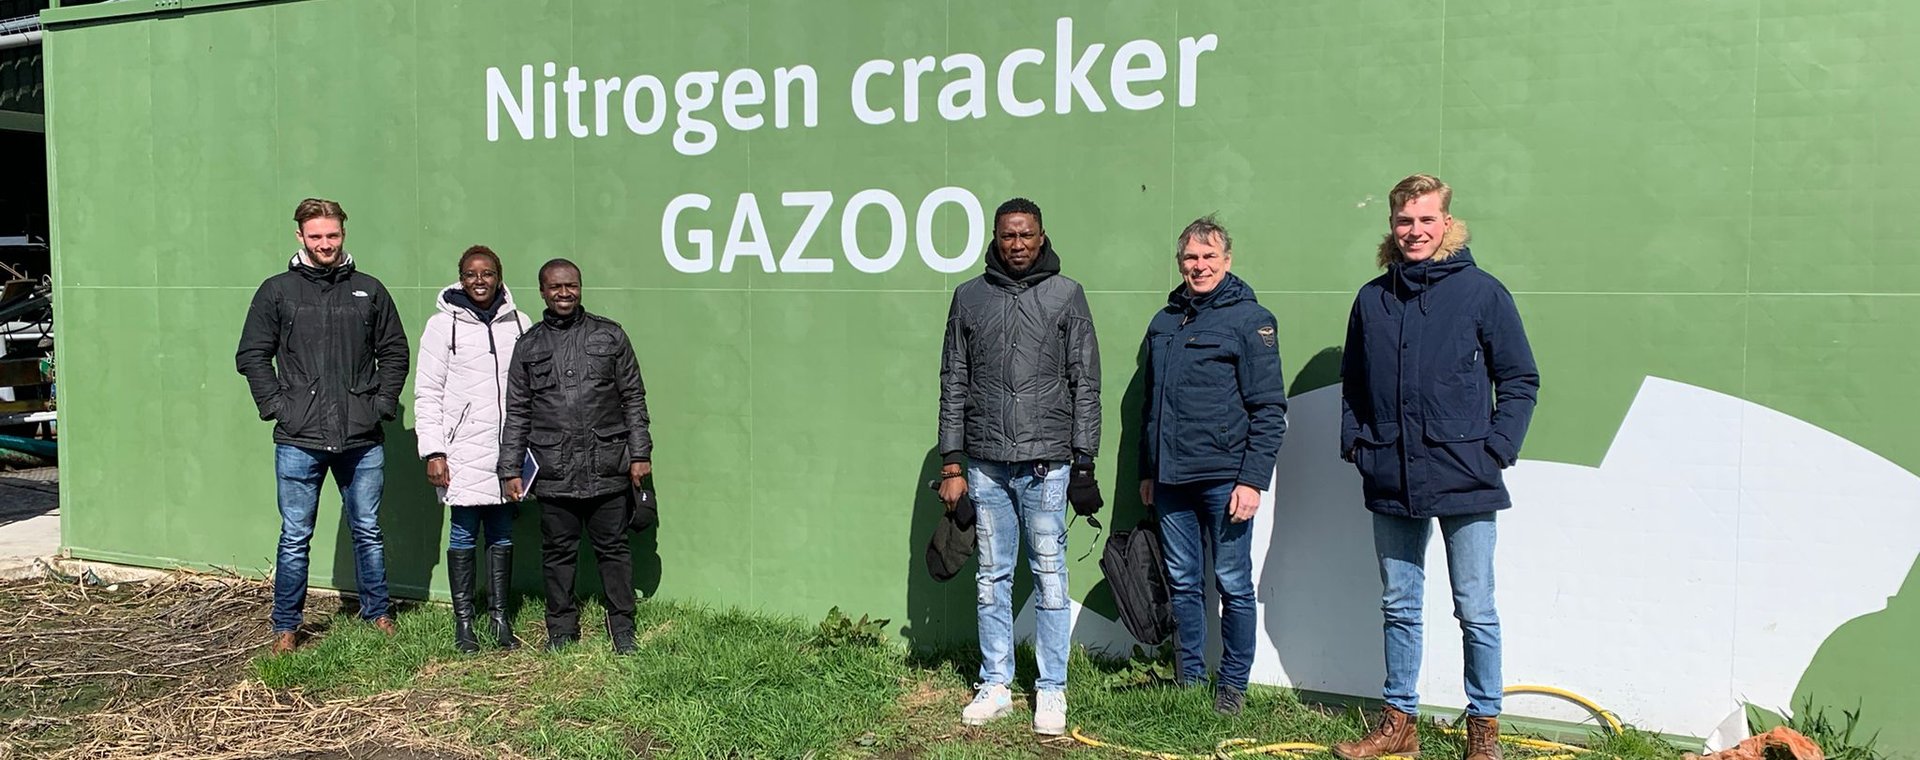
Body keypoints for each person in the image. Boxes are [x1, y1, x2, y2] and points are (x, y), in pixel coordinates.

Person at [1333, 174, 1539, 760]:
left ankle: (1484, 731)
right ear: (1391, 225)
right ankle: (1399, 724)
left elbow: (1519, 379)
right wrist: (1358, 445)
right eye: (1405, 220)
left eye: (1426, 219)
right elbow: (1353, 385)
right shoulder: (1372, 299)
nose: (1415, 230)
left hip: (1466, 474)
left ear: (1447, 223)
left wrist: (1496, 449)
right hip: (1391, 472)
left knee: (1475, 608)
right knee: (1399, 604)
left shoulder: (1482, 293)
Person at [936, 197, 1102, 736]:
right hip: (985, 465)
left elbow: (1086, 383)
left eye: (1026, 234)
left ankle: (1052, 689)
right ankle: (996, 684)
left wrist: (1084, 463)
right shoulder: (969, 297)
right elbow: (953, 381)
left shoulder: (1067, 295)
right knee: (991, 576)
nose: (1017, 244)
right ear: (995, 238)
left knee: (1050, 577)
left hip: (1046, 466)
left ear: (1041, 236)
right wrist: (952, 462)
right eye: (1008, 236)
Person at [236, 198, 409, 654]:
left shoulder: (369, 290)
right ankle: (286, 626)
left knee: (367, 529)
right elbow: (252, 354)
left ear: (343, 234)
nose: (325, 244)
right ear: (300, 236)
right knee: (295, 536)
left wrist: (380, 405)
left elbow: (395, 351)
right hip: (299, 437)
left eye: (332, 235)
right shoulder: (277, 291)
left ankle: (377, 614)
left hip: (361, 437)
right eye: (316, 236)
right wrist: (278, 407)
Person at [1137, 214, 1288, 716]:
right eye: (1190, 258)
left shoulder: (1251, 320)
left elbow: (1269, 409)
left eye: (1209, 257)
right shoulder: (1164, 322)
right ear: (1180, 262)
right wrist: (1147, 471)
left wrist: (1252, 481)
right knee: (1183, 583)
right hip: (1171, 481)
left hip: (1225, 480)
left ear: (1227, 261)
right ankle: (1190, 680)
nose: (1199, 266)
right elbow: (1149, 406)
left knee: (1232, 584)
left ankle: (1233, 686)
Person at [498, 259, 651, 654]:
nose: (564, 293)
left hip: (608, 464)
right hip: (554, 471)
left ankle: (622, 629)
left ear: (580, 287)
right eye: (555, 287)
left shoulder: (610, 335)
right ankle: (561, 631)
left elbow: (633, 398)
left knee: (614, 551)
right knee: (558, 554)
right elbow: (517, 412)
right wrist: (510, 468)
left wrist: (640, 453)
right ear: (542, 291)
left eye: (571, 285)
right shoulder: (529, 345)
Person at [414, 245, 533, 653]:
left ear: (499, 277)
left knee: (501, 531)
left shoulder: (519, 322)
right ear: (460, 278)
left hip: (507, 448)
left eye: (487, 273)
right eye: (470, 274)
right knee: (463, 530)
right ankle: (464, 623)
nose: (479, 281)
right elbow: (427, 392)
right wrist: (434, 451)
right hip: (461, 448)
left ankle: (500, 619)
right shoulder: (441, 325)